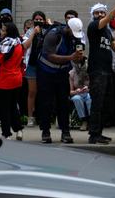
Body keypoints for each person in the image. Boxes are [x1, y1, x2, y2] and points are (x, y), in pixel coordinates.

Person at [86, 0, 115, 144]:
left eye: (102, 12)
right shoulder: (94, 26)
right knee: (97, 103)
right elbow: (110, 16)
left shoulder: (106, 31)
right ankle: (93, 134)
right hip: (97, 70)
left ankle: (99, 132)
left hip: (107, 70)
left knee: (105, 104)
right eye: (97, 12)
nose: (99, 14)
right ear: (93, 14)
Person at [36, 14, 83, 144]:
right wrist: (71, 57)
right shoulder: (53, 35)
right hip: (46, 72)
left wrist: (79, 58)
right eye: (72, 33)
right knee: (46, 102)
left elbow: (76, 55)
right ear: (67, 28)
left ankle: (65, 132)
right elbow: (50, 56)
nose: (74, 36)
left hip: (62, 72)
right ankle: (45, 131)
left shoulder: (75, 37)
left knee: (64, 102)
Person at [0, 22, 25, 140]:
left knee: (3, 108)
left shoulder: (6, 43)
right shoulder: (18, 43)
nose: (1, 32)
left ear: (8, 32)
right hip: (17, 79)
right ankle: (18, 129)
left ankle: (6, 133)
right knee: (13, 106)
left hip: (4, 80)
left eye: (3, 30)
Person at [23, 10, 48, 128]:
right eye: (36, 19)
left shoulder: (47, 31)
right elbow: (25, 46)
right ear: (33, 21)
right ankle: (30, 117)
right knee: (32, 92)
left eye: (40, 19)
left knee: (44, 92)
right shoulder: (29, 31)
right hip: (32, 65)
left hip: (44, 65)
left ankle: (43, 116)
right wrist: (33, 33)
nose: (38, 21)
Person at [69, 58, 91, 132]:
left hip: (88, 92)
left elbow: (94, 87)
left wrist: (88, 89)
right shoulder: (72, 73)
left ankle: (91, 120)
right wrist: (76, 91)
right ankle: (84, 120)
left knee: (89, 98)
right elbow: (70, 91)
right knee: (76, 99)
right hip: (78, 93)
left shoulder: (89, 71)